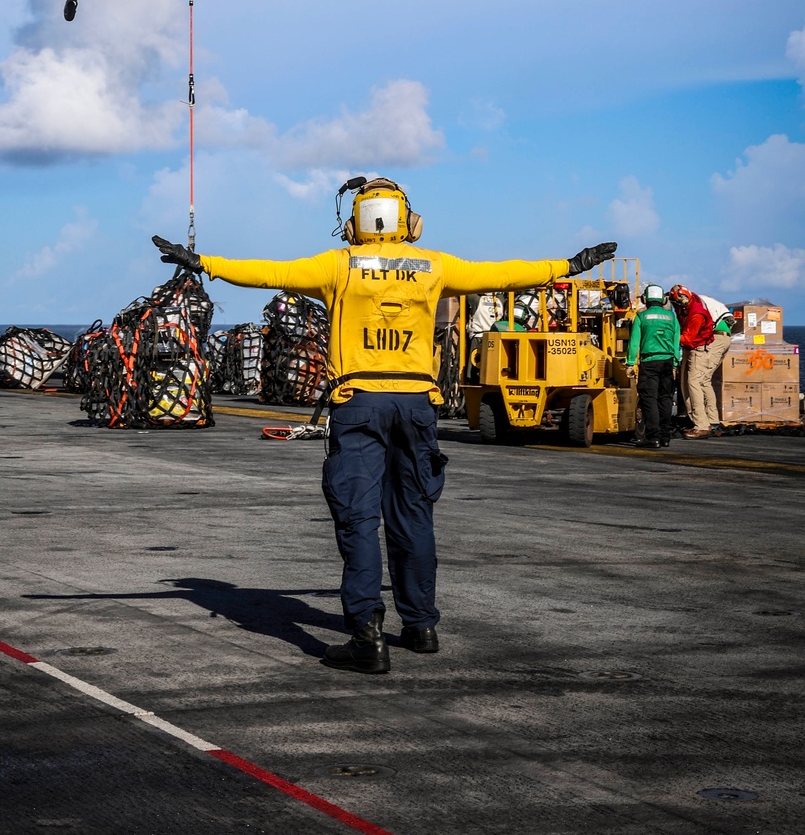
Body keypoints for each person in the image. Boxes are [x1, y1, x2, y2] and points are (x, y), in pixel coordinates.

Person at [152, 176, 616, 674]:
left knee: (357, 517)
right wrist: (568, 265)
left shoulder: (337, 265)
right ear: (407, 221)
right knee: (413, 514)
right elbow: (502, 273)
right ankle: (421, 626)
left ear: (355, 223)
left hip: (359, 403)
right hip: (417, 404)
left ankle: (367, 637)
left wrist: (203, 263)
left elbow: (267, 273)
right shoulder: (433, 265)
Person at [669, 285, 729, 438]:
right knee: (704, 381)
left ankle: (701, 425)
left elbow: (688, 339)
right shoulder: (690, 300)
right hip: (718, 336)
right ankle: (712, 421)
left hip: (708, 341)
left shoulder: (697, 313)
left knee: (694, 382)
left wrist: (666, 337)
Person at [626, 284, 681, 448]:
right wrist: (675, 363)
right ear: (663, 300)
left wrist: (629, 363)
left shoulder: (641, 317)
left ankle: (653, 437)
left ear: (645, 299)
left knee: (649, 400)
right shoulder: (671, 317)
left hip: (649, 362)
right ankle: (665, 437)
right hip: (667, 362)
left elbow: (634, 343)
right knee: (665, 399)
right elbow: (676, 341)